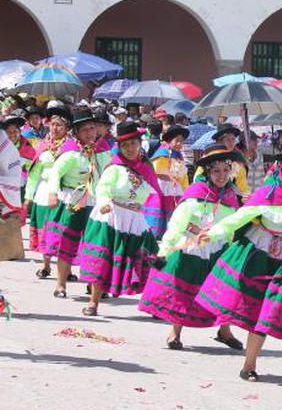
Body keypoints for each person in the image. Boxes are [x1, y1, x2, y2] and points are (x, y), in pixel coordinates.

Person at [194, 137, 282, 384]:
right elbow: (241, 216)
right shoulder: (270, 191)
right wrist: (214, 232)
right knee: (264, 315)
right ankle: (249, 364)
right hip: (271, 259)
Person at [139, 144, 245, 351]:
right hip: (192, 249)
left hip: (218, 250)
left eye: (225, 171)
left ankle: (224, 331)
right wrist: (165, 251)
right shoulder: (195, 194)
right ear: (207, 172)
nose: (221, 176)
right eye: (216, 171)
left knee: (222, 292)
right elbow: (177, 224)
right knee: (183, 290)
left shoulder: (232, 197)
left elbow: (233, 228)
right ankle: (175, 332)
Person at [77, 121, 162, 316]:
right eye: (125, 145)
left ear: (140, 144)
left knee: (152, 260)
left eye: (133, 144)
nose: (130, 149)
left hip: (135, 219)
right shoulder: (115, 167)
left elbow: (153, 190)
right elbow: (103, 188)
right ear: (119, 147)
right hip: (111, 217)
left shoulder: (146, 167)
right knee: (104, 259)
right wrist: (105, 202)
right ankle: (93, 303)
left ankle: (155, 304)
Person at [41, 110, 111, 298]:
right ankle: (61, 284)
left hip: (96, 204)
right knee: (68, 243)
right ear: (77, 132)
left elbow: (111, 173)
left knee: (94, 245)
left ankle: (92, 285)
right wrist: (52, 193)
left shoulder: (103, 151)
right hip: (74, 202)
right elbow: (55, 173)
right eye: (85, 129)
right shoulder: (71, 151)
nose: (90, 132)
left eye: (93, 128)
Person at [25, 104, 72, 278]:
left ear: (67, 128)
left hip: (65, 192)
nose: (55, 128)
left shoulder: (72, 147)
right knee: (46, 229)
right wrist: (28, 196)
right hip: (45, 193)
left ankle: (66, 269)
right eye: (52, 124)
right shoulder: (43, 146)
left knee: (65, 231)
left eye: (59, 125)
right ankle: (46, 265)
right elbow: (34, 173)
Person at [144, 125, 189, 239]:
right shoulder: (163, 153)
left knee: (172, 212)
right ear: (169, 140)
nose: (179, 143)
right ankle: (156, 235)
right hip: (162, 188)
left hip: (174, 188)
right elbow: (155, 170)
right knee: (159, 210)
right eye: (177, 140)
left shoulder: (177, 154)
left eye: (181, 141)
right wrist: (169, 175)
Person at [194, 123, 250, 197]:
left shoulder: (238, 163)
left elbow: (243, 187)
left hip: (231, 202)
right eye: (227, 139)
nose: (231, 142)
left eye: (233, 139)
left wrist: (246, 198)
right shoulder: (208, 161)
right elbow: (197, 181)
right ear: (219, 141)